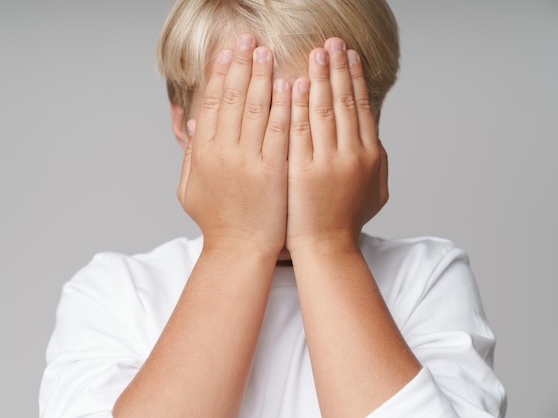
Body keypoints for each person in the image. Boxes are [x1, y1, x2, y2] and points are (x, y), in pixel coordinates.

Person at [39, 0, 507, 416]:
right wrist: (236, 246)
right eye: (251, 124)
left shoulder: (427, 279)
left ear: (369, 124)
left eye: (316, 125)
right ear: (183, 123)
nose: (282, 163)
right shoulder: (116, 296)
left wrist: (326, 246)